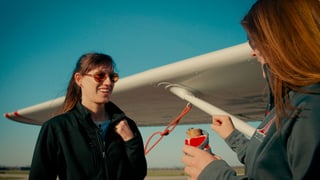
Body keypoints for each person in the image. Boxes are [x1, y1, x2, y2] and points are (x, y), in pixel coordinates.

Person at [181, 0, 320, 179]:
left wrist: (215, 174)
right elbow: (268, 163)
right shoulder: (290, 102)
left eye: (253, 41)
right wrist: (232, 136)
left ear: (278, 41)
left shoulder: (311, 107)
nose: (252, 52)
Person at [29, 53, 147, 180]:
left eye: (112, 77)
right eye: (100, 76)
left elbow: (139, 174)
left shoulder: (127, 126)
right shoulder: (56, 128)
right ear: (79, 79)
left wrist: (131, 141)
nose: (108, 82)